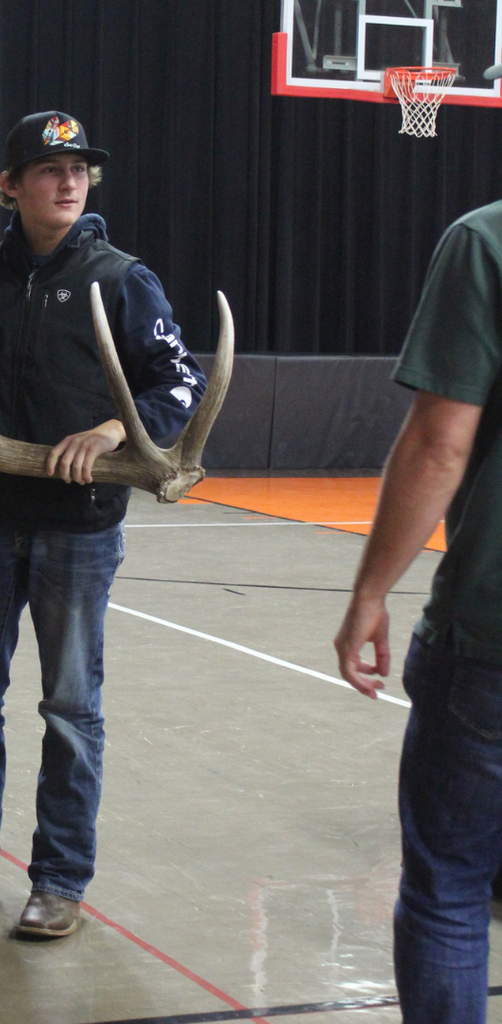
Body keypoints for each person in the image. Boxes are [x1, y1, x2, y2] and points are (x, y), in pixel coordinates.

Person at [0, 111, 206, 937]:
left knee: (70, 708)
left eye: (80, 169)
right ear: (9, 186)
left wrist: (116, 430)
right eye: (50, 169)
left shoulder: (125, 280)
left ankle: (57, 881)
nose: (69, 181)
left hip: (78, 528)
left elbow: (179, 382)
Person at [335, 198, 502, 1023]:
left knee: (450, 896)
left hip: (490, 641)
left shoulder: (486, 243)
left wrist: (370, 592)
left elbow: (441, 442)